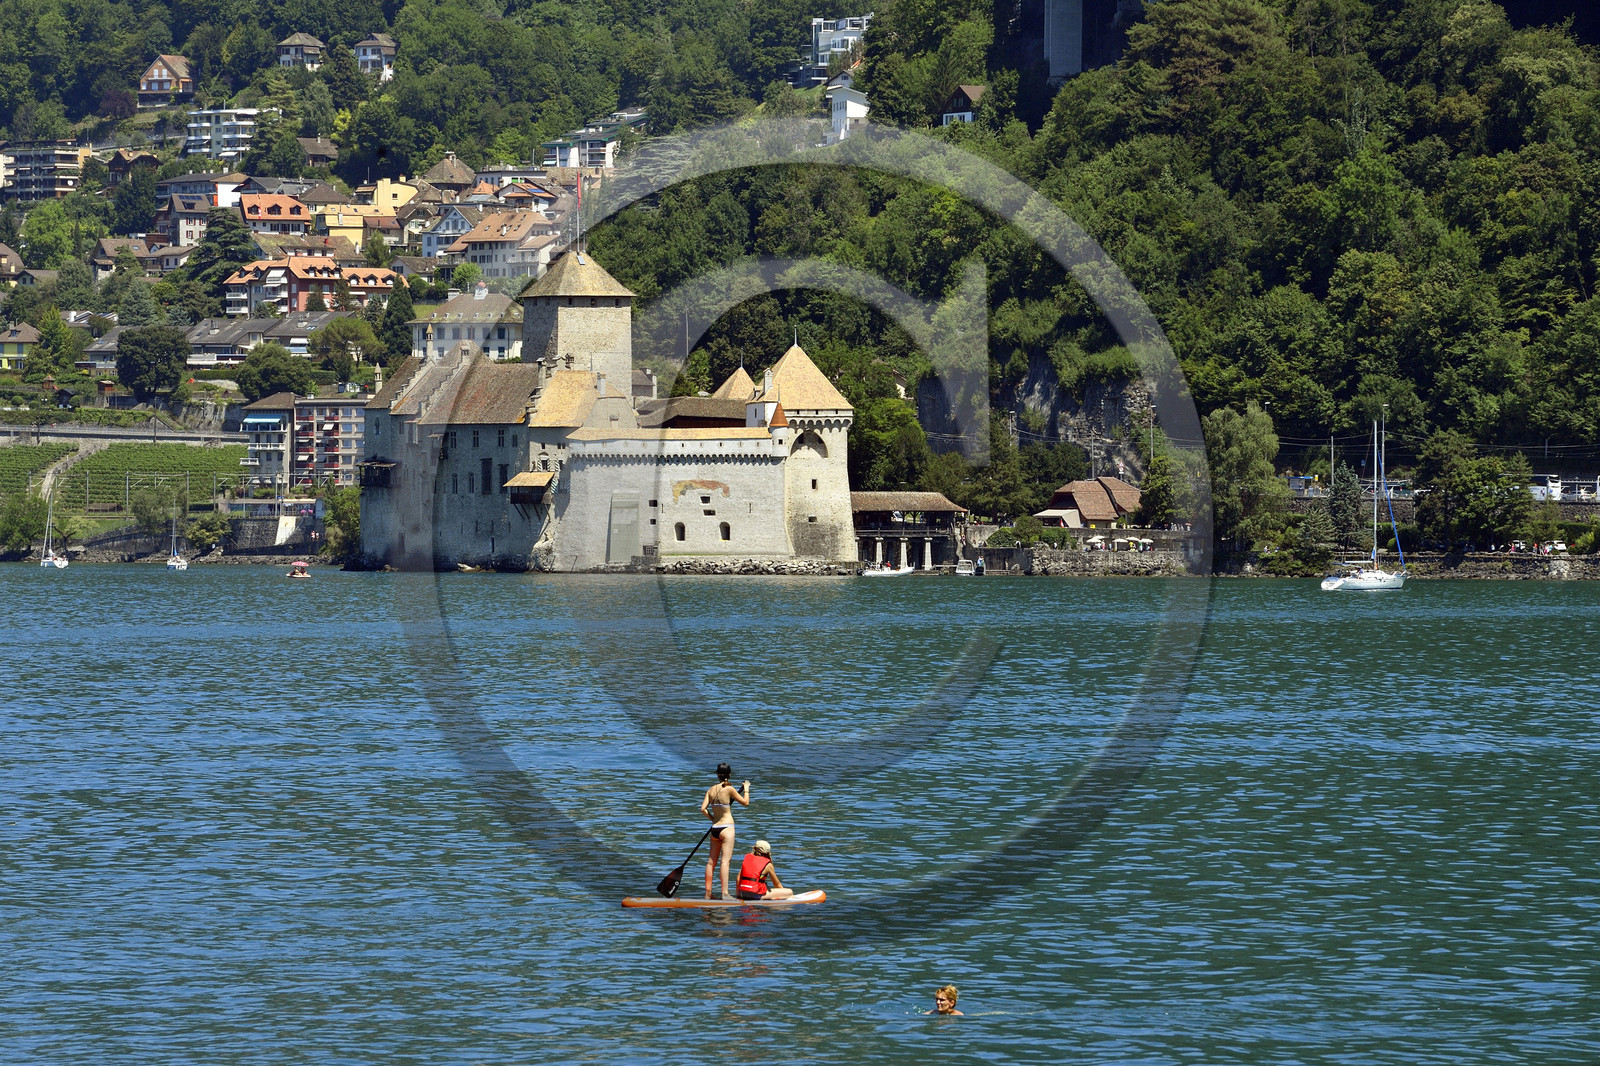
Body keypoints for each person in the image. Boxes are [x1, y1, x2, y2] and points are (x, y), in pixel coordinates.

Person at [700, 763, 750, 900]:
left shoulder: (711, 790)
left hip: (715, 829)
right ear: (729, 774)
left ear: (717, 774)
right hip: (727, 827)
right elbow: (745, 803)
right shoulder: (729, 789)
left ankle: (708, 894)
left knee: (711, 862)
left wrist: (712, 819)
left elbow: (703, 809)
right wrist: (746, 789)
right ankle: (725, 894)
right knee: (725, 862)